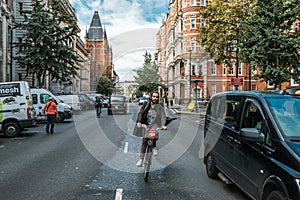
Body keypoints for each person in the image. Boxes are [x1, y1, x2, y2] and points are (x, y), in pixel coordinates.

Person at [136, 91, 167, 167]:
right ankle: (141, 159)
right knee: (144, 140)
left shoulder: (159, 106)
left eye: (157, 97)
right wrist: (139, 122)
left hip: (155, 124)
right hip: (146, 124)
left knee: (153, 132)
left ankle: (154, 146)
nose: (155, 98)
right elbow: (141, 113)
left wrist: (163, 125)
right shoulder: (146, 104)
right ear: (151, 97)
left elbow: (163, 115)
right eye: (154, 96)